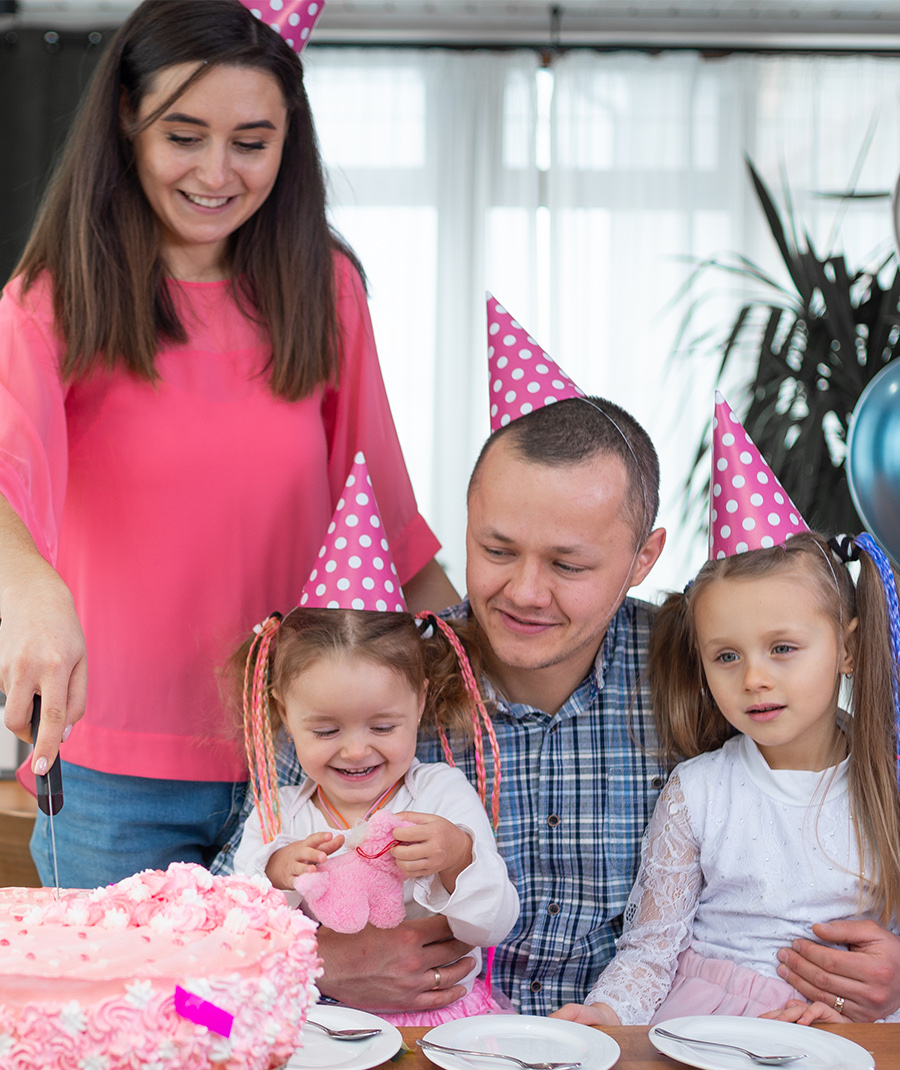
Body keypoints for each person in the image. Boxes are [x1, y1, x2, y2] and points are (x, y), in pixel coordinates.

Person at [0, 0, 454, 889]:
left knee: (276, 1016)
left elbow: (387, 526)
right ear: (128, 127)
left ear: (288, 143)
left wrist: (523, 651)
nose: (218, 172)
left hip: (302, 766)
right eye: (185, 135)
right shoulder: (56, 300)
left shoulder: (324, 291)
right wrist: (30, 593)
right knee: (157, 1012)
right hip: (112, 779)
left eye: (251, 142)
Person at [218, 298, 670, 1015]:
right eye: (495, 550)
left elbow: (804, 832)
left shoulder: (696, 671)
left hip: (616, 1062)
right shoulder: (364, 680)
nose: (524, 592)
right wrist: (323, 963)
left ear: (644, 557)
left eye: (568, 564)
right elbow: (217, 918)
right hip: (399, 1064)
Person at [554, 403, 900, 1028]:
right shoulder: (699, 793)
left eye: (784, 649)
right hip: (712, 1027)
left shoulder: (889, 781)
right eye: (727, 656)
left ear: (848, 647)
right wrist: (606, 1013)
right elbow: (651, 950)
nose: (756, 678)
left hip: (853, 1032)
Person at [228, 604, 519, 1025]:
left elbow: (493, 927)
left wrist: (458, 857)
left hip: (436, 1020)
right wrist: (274, 875)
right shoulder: (276, 815)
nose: (356, 751)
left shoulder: (440, 793)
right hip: (317, 1024)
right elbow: (240, 932)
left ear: (419, 702)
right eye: (326, 731)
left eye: (382, 727)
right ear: (284, 712)